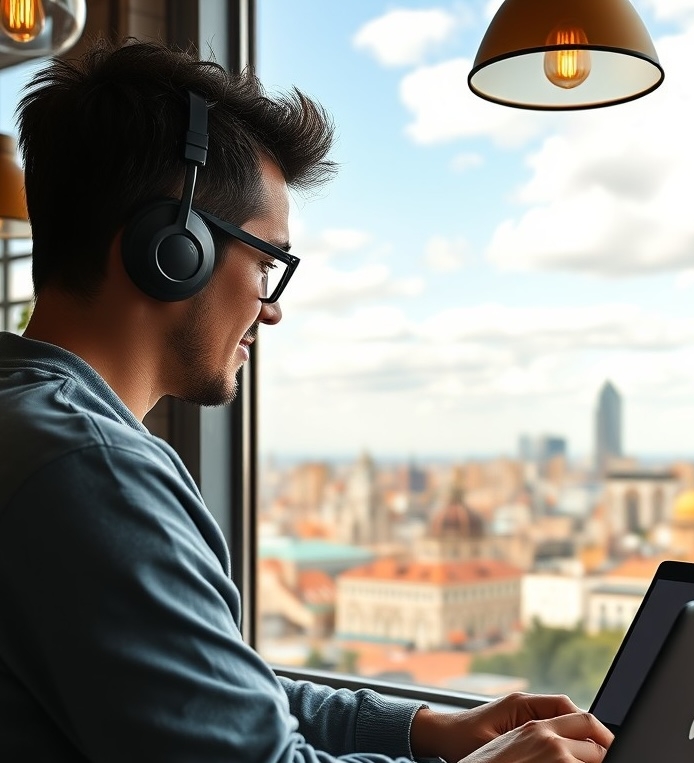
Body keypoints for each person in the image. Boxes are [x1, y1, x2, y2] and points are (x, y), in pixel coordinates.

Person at [0, 37, 613, 762]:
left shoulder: (29, 422)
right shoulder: (90, 467)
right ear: (172, 247)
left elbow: (207, 689)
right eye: (265, 262)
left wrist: (422, 726)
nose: (271, 307)